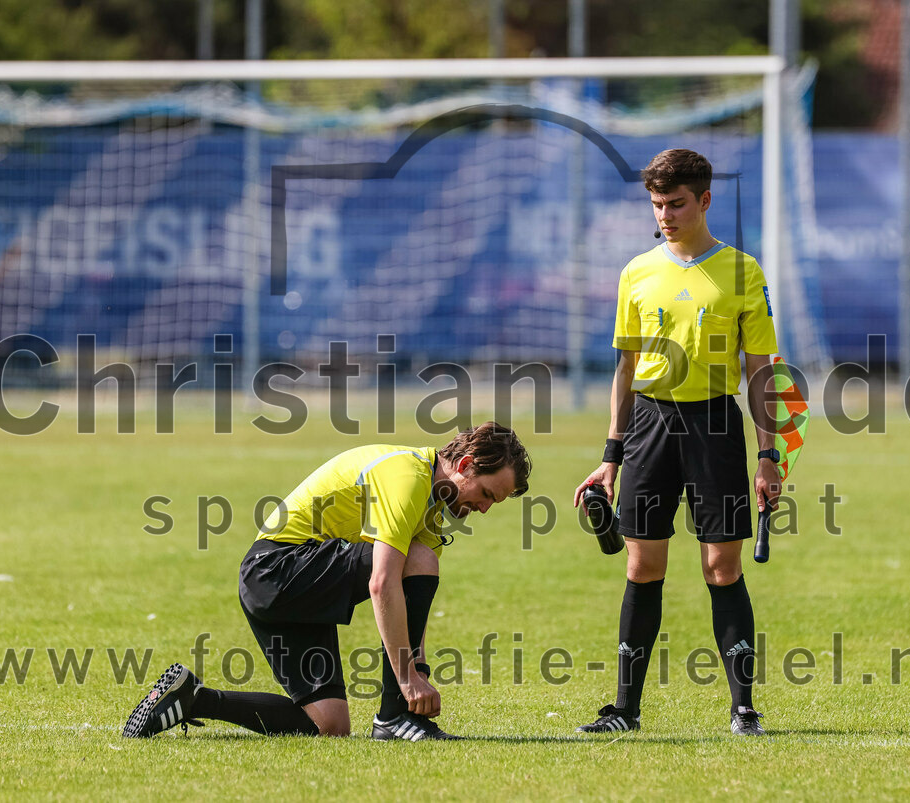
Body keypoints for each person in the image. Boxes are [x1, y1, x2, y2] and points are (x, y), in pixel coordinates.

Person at [123, 421, 531, 741]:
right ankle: (393, 719)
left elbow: (409, 599)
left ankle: (192, 699)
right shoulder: (408, 476)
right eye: (487, 493)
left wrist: (418, 671)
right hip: (277, 570)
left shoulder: (430, 506)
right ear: (464, 465)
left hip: (293, 582)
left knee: (328, 724)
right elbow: (382, 582)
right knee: (418, 557)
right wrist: (407, 682)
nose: (483, 508)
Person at [573, 149, 780, 737]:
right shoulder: (636, 271)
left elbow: (760, 371)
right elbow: (625, 369)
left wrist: (768, 456)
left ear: (705, 200)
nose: (664, 214)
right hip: (649, 428)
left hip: (716, 425)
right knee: (642, 564)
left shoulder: (743, 272)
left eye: (675, 203)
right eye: (657, 204)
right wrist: (611, 455)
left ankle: (743, 709)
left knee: (722, 566)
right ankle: (625, 711)